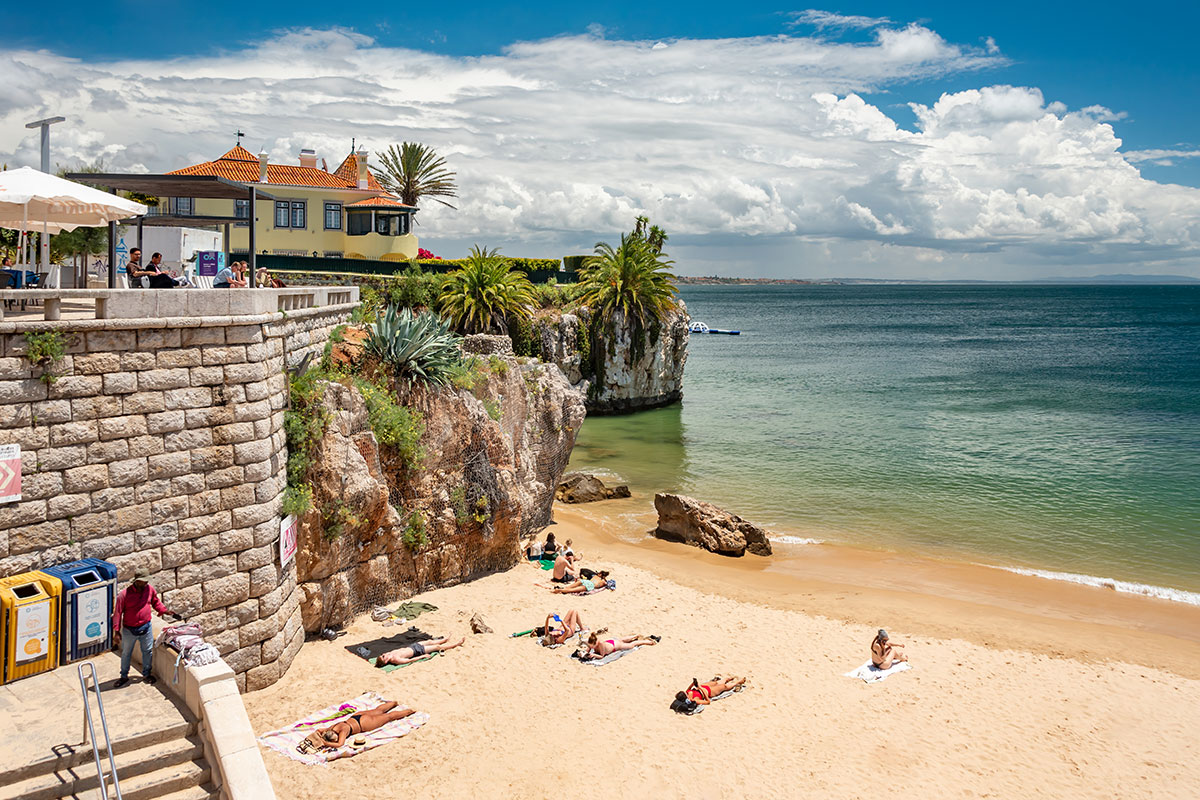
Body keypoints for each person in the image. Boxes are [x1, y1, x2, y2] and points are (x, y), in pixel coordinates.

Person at [112, 567, 182, 687]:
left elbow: (155, 602)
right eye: (143, 581)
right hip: (130, 629)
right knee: (126, 653)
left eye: (146, 581)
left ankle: (146, 674)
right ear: (137, 581)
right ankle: (124, 676)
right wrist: (117, 631)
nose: (146, 583)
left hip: (146, 627)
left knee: (147, 651)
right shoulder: (124, 595)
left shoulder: (149, 590)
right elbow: (117, 613)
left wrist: (165, 611)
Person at [300, 701, 415, 751]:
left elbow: (340, 744)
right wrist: (319, 736)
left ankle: (409, 711)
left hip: (363, 724)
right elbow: (319, 729)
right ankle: (394, 703)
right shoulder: (331, 727)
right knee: (378, 711)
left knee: (389, 717)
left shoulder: (342, 732)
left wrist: (325, 743)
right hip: (356, 717)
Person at [374, 636, 465, 667]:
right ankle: (456, 644)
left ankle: (445, 639)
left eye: (382, 655)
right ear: (385, 661)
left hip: (412, 646)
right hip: (417, 651)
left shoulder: (390, 654)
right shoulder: (395, 660)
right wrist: (422, 656)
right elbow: (409, 660)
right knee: (437, 647)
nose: (384, 654)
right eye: (383, 657)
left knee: (430, 641)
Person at [676, 675, 746, 706]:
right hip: (709, 692)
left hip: (704, 686)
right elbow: (708, 702)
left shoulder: (688, 692)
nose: (687, 693)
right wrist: (700, 688)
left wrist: (693, 683)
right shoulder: (694, 700)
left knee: (717, 682)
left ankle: (730, 679)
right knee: (723, 686)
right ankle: (738, 682)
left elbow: (689, 689)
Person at [584, 632, 658, 659]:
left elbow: (602, 656)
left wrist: (594, 655)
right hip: (611, 642)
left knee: (631, 645)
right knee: (621, 640)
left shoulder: (600, 645)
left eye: (592, 646)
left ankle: (648, 642)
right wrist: (585, 653)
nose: (591, 647)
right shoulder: (592, 642)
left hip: (615, 646)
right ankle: (635, 636)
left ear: (595, 643)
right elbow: (588, 649)